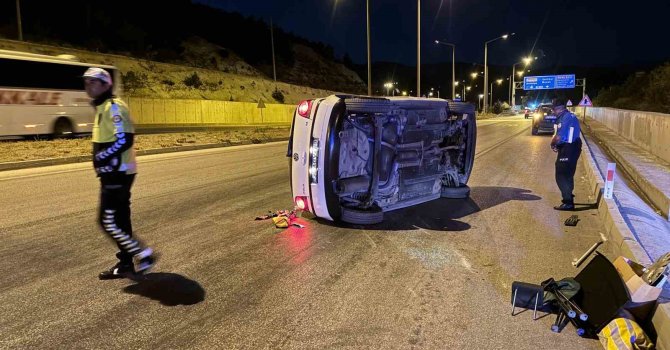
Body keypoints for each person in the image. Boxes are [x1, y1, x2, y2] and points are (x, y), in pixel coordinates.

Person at [83, 67, 156, 279]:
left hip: (118, 173)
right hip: (113, 172)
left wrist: (102, 158)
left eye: (94, 82)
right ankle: (126, 264)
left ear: (107, 85)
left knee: (107, 221)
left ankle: (143, 254)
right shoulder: (102, 107)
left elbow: (125, 139)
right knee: (121, 219)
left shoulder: (113, 107)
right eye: (86, 82)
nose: (89, 85)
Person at [550, 96, 582, 211]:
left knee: (561, 175)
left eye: (553, 110)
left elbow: (559, 136)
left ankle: (568, 202)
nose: (553, 112)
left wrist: (553, 144)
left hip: (569, 148)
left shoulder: (565, 118)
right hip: (572, 147)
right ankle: (569, 196)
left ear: (558, 108)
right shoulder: (569, 116)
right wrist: (558, 145)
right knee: (568, 174)